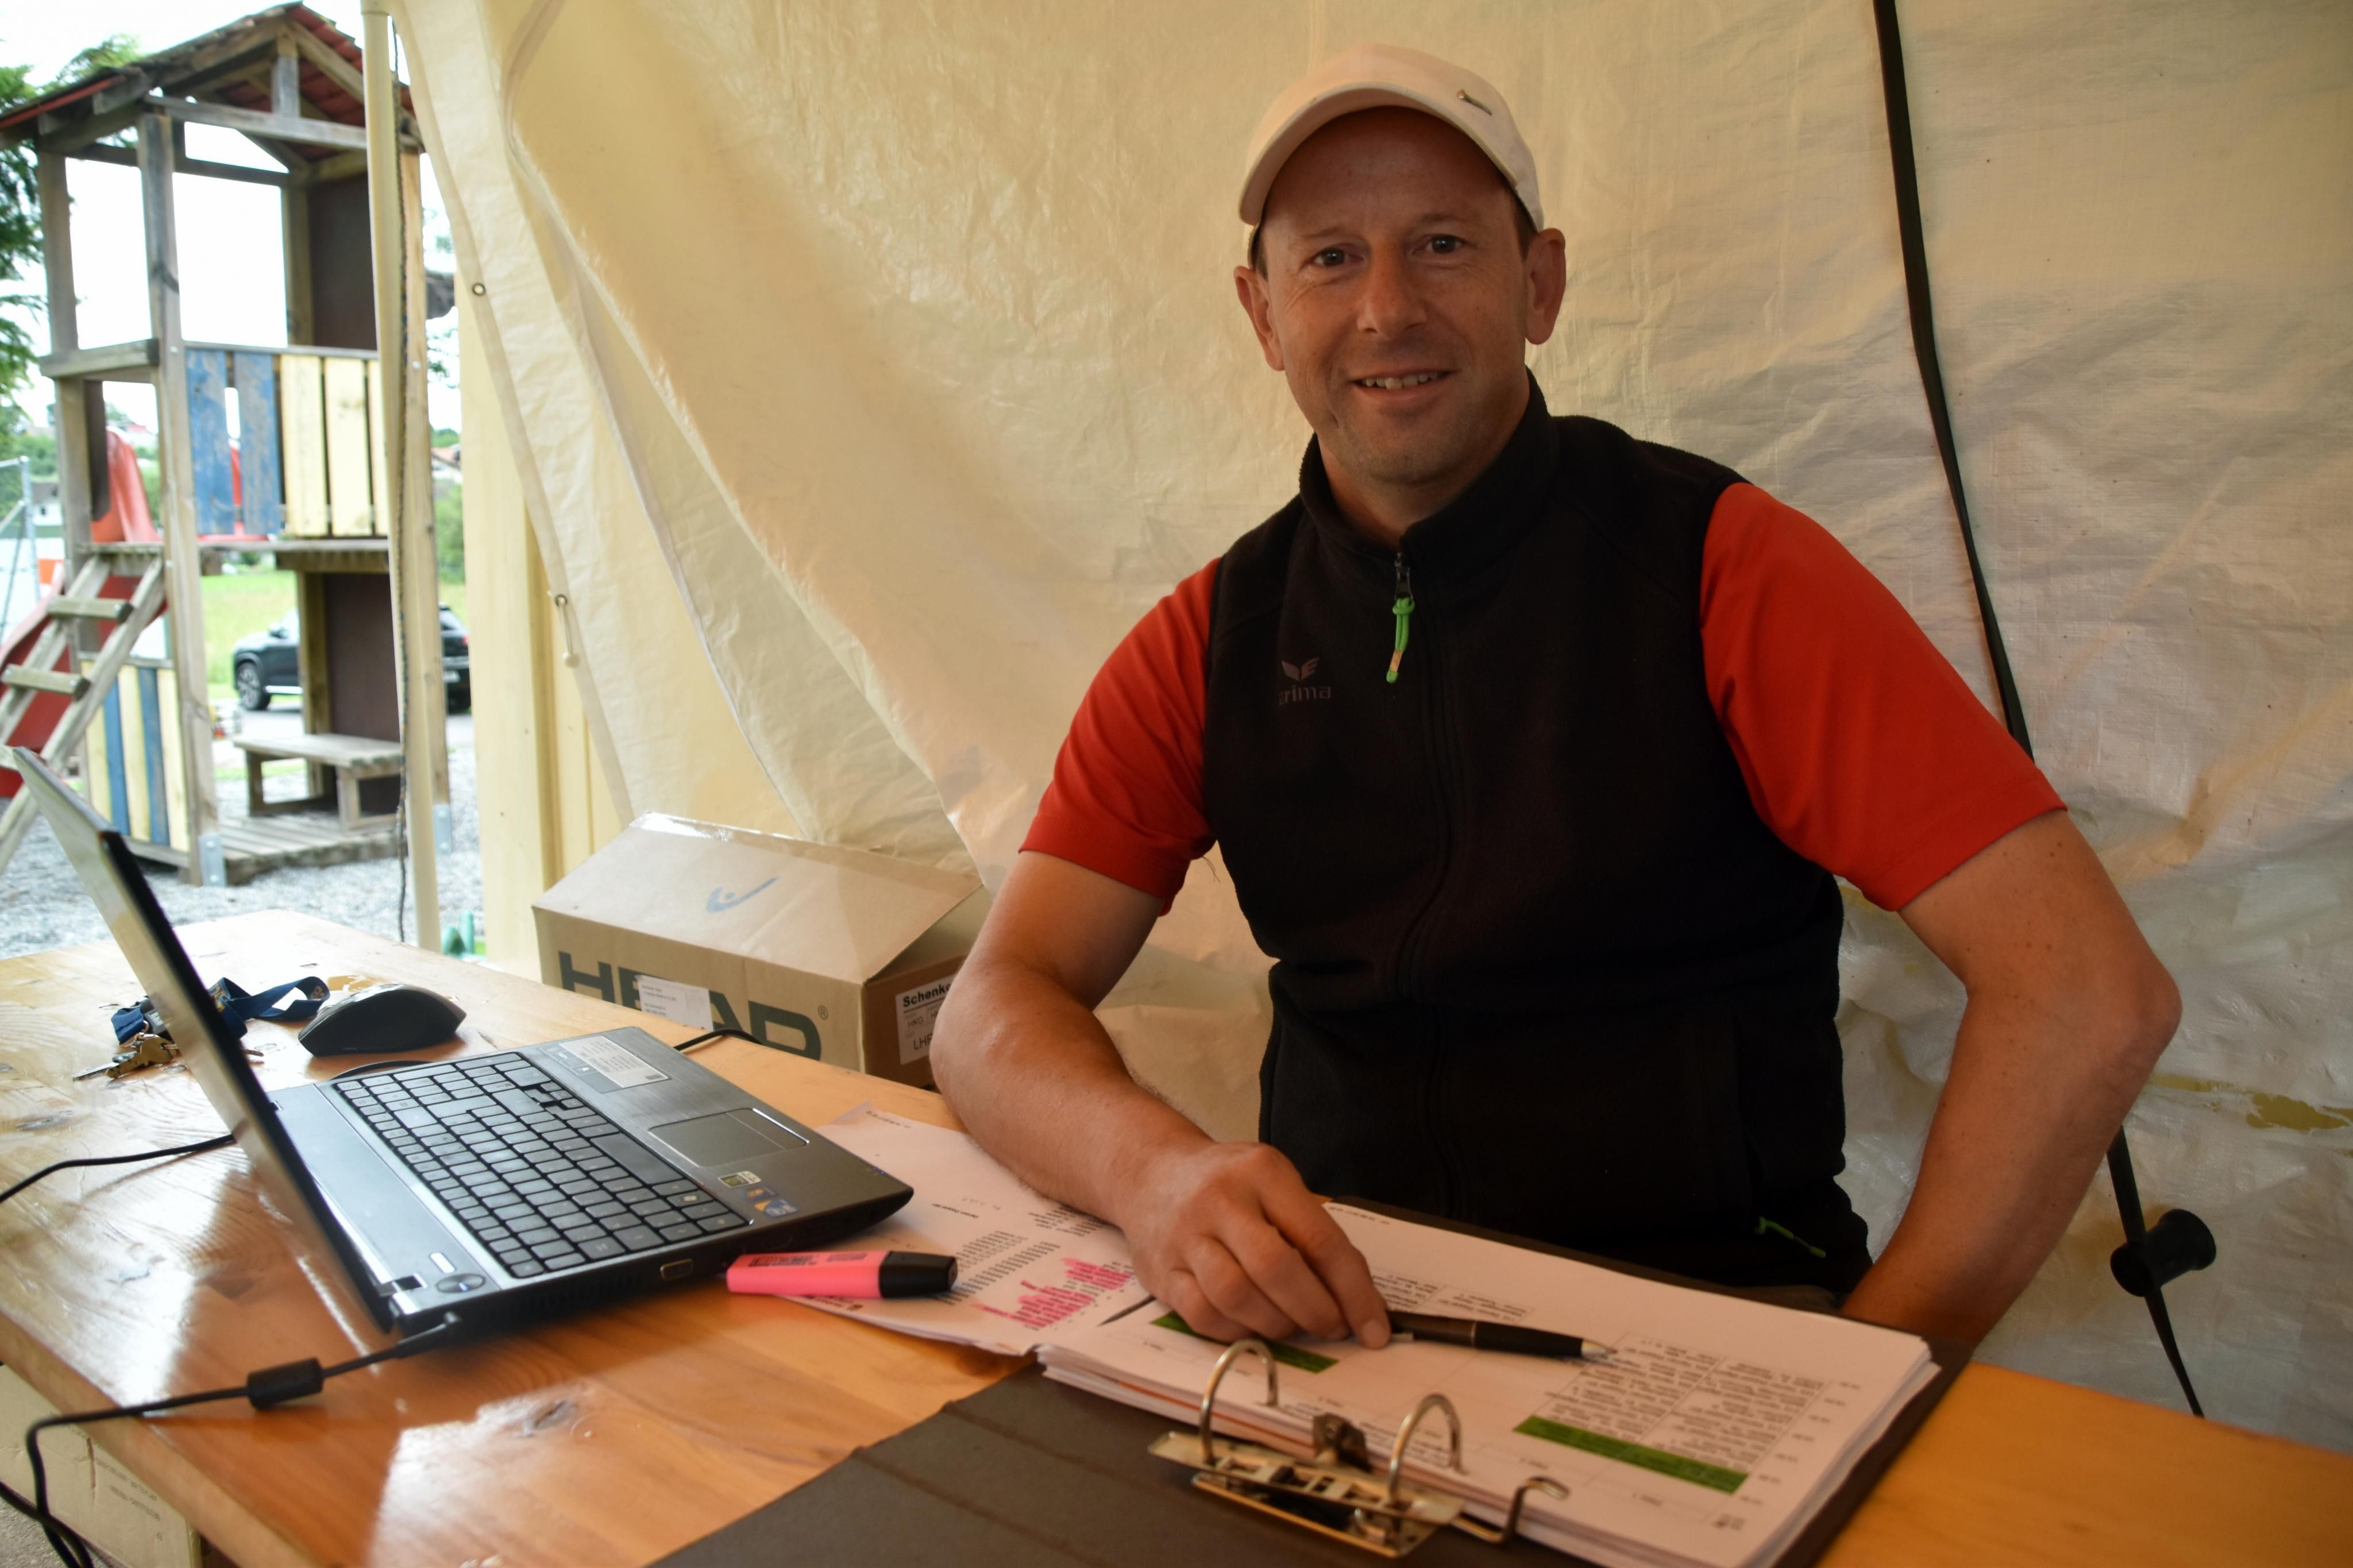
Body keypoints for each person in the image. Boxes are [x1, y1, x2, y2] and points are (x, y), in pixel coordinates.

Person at [928, 44, 2178, 1351]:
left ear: (1540, 283)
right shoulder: (1212, 638)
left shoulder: (1723, 572)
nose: (1386, 310)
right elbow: (993, 1006)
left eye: (1442, 246)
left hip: (1705, 1318)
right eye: (1330, 259)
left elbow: (2085, 991)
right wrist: (1153, 1175)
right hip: (1342, 1316)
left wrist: (1875, 1372)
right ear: (1261, 315)